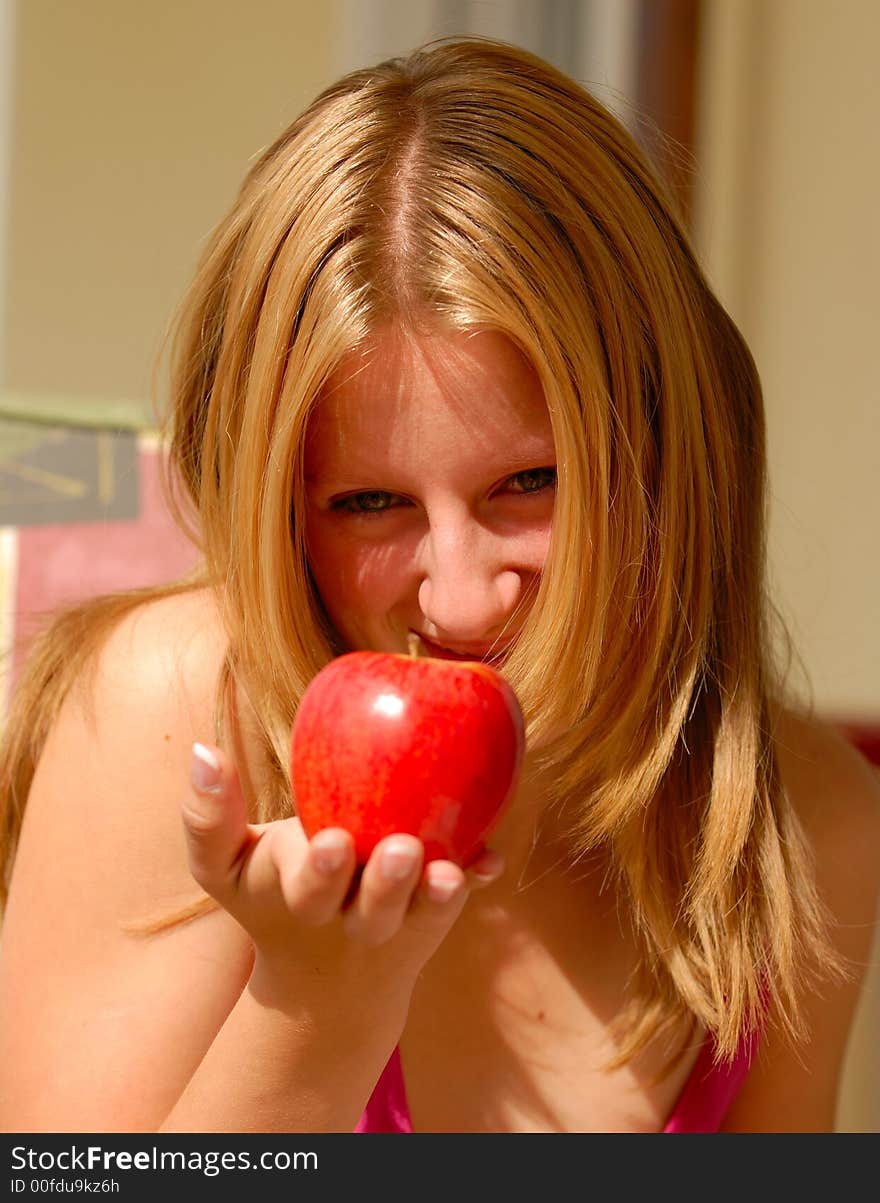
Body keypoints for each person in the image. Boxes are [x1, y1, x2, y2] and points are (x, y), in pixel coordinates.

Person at [0, 36, 877, 1135]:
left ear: (667, 454)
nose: (462, 602)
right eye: (370, 505)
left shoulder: (801, 830)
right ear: (275, 508)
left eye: (530, 483)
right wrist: (319, 1002)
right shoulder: (176, 723)